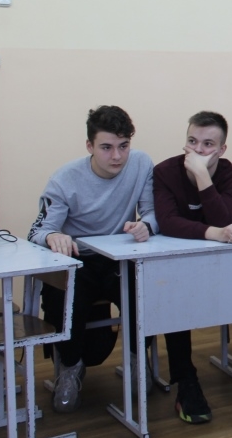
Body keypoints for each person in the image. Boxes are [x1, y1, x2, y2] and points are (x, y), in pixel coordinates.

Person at [28, 105, 157, 413]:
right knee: (61, 301)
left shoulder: (141, 164)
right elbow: (37, 231)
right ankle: (70, 368)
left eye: (123, 146)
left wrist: (147, 225)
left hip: (118, 258)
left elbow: (152, 212)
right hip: (80, 259)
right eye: (106, 147)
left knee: (147, 292)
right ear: (90, 146)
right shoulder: (64, 179)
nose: (117, 156)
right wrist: (52, 236)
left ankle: (137, 358)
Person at [152, 111, 232, 424]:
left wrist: (203, 177)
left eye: (207, 144)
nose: (197, 150)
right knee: (172, 297)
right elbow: (168, 222)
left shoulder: (231, 175)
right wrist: (212, 233)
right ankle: (186, 380)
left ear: (222, 149)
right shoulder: (165, 171)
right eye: (192, 141)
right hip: (176, 266)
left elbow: (224, 218)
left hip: (223, 266)